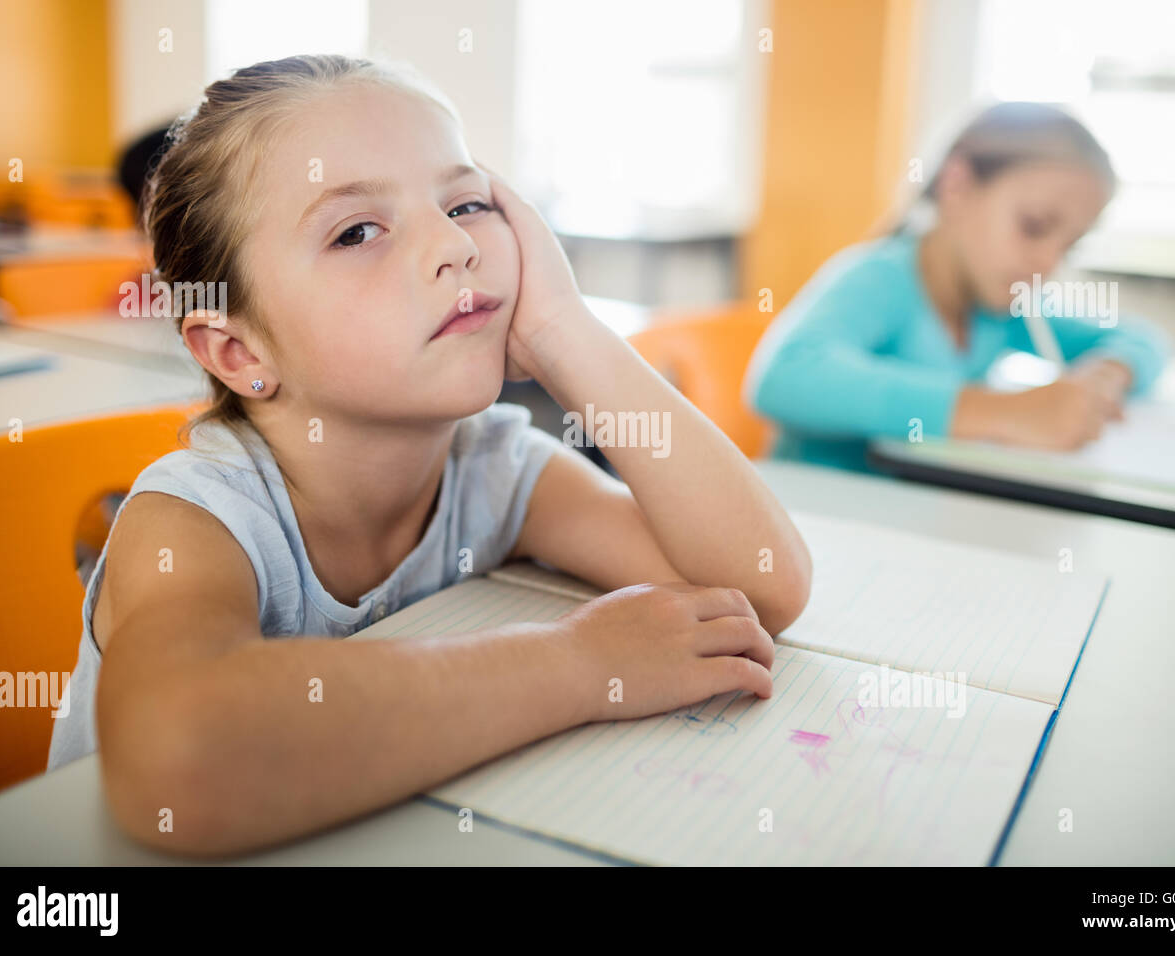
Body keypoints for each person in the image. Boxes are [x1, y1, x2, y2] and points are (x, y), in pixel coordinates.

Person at [48, 54, 811, 856]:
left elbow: (758, 583)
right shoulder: (196, 521)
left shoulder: (490, 468)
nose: (453, 246)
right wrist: (579, 663)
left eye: (467, 203)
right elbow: (182, 757)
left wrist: (564, 328)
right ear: (237, 355)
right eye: (357, 231)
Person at [744, 101, 1172, 472]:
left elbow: (1142, 338)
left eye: (1070, 248)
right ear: (957, 185)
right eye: (1034, 226)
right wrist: (1006, 413)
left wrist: (1107, 374)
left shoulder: (1004, 306)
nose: (1049, 262)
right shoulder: (882, 279)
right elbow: (783, 378)